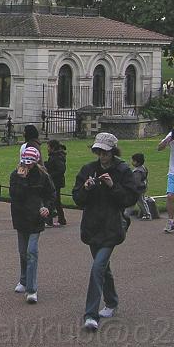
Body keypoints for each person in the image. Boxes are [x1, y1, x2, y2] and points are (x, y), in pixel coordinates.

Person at [72, 132, 139, 331]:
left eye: (105, 153)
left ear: (113, 152)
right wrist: (85, 188)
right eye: (98, 152)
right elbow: (77, 198)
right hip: (93, 226)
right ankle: (112, 301)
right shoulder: (88, 169)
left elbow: (129, 199)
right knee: (103, 269)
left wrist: (112, 186)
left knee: (97, 268)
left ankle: (91, 315)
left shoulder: (123, 170)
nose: (102, 156)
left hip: (112, 226)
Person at [10, 145, 55, 304]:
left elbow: (50, 194)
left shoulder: (43, 176)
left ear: (35, 162)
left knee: (32, 252)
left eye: (29, 163)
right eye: (25, 162)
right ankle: (23, 280)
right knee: (23, 252)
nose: (26, 165)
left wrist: (47, 208)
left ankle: (31, 289)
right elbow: (15, 196)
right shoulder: (15, 175)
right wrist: (21, 180)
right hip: (21, 218)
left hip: (36, 218)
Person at [44, 140, 67, 226]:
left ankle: (50, 220)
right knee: (56, 201)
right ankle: (61, 219)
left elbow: (61, 169)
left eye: (48, 147)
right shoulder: (55, 156)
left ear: (52, 147)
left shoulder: (57, 156)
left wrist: (50, 175)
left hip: (56, 182)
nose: (47, 149)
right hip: (55, 181)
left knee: (53, 200)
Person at [127, 153, 151, 220]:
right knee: (141, 201)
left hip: (138, 189)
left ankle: (147, 214)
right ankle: (147, 214)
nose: (132, 162)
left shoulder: (137, 171)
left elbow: (136, 182)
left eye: (133, 161)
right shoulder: (143, 168)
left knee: (139, 201)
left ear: (138, 162)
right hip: (142, 187)